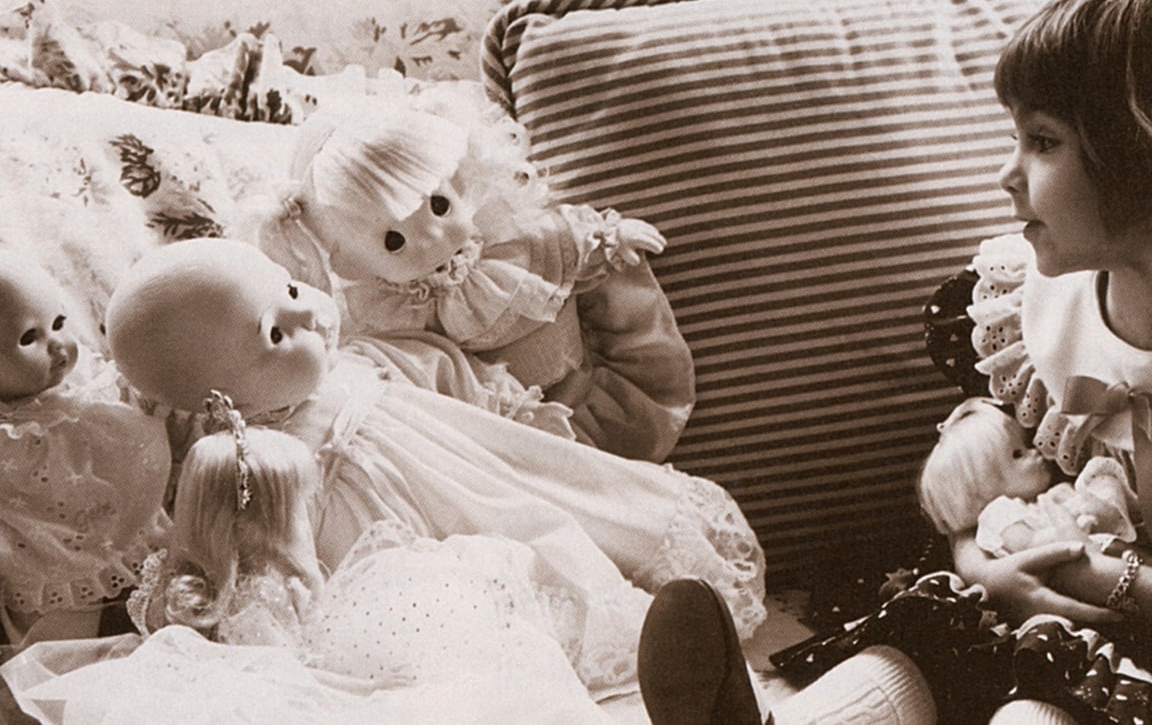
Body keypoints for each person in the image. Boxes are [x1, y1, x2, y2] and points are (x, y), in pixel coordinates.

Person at [638, 0, 1152, 722]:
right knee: (932, 634)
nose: (1005, 173)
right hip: (1058, 591)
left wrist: (1112, 583)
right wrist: (984, 563)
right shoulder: (1038, 312)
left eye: (1043, 142)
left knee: (1047, 704)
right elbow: (1007, 483)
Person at [99, 237, 767, 637]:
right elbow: (268, 560)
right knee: (506, 602)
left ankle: (669, 612)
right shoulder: (261, 464)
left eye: (293, 287)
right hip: (408, 564)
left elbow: (450, 383)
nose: (309, 314)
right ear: (222, 399)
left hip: (488, 479)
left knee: (574, 517)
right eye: (276, 333)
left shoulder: (358, 362)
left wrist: (515, 408)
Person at [3, 404, 629, 722]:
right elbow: (286, 668)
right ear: (272, 519)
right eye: (305, 506)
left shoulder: (199, 584)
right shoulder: (262, 592)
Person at [262, 92, 696, 462]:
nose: (432, 237)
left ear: (458, 181)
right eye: (393, 241)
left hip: (587, 399)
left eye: (439, 206)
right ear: (349, 264)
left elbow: (562, 242)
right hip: (499, 443)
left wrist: (609, 239)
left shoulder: (508, 242)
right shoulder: (379, 312)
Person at [0, 256, 170, 650]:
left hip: (123, 528)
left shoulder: (88, 382)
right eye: (30, 338)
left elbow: (131, 426)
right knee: (60, 649)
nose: (58, 345)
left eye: (59, 323)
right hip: (44, 561)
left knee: (155, 610)